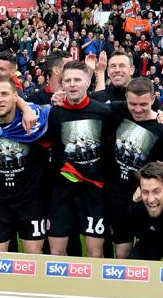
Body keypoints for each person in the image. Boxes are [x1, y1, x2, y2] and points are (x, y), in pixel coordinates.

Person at [45, 60, 113, 257]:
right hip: (62, 189)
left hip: (94, 190)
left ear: (87, 82)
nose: (72, 84)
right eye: (68, 80)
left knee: (95, 254)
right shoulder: (53, 113)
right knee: (57, 253)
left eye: (77, 79)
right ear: (62, 84)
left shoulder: (103, 112)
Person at [0, 76, 50, 253]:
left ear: (16, 97)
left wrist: (26, 108)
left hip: (29, 200)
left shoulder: (35, 121)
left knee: (34, 259)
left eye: (5, 94)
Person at [108, 77, 163, 259]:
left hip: (147, 200)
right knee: (122, 254)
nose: (137, 109)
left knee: (146, 256)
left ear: (154, 99)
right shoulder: (117, 111)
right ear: (126, 99)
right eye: (133, 104)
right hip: (119, 197)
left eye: (143, 104)